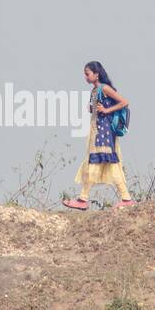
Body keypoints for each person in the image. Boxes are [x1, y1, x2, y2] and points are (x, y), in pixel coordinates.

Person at [63, 61, 134, 210]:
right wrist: (93, 108)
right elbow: (95, 109)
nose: (85, 77)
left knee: (96, 164)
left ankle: (83, 199)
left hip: (104, 132)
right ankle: (126, 198)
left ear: (96, 74)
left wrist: (107, 110)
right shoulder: (94, 91)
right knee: (105, 164)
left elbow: (124, 102)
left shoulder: (104, 88)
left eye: (87, 73)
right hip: (97, 131)